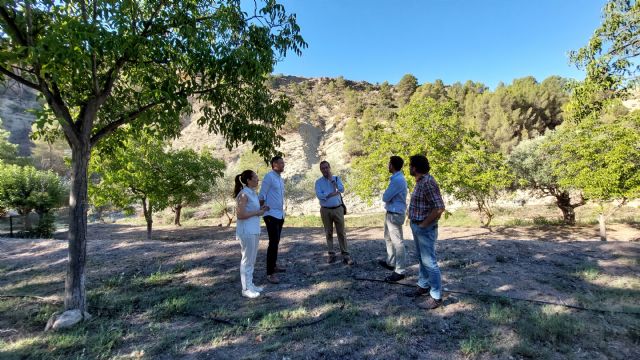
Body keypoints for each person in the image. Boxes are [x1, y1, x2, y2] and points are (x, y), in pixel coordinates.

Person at [406, 154, 446, 310]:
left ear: (415, 167)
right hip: (418, 227)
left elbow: (439, 208)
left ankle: (436, 296)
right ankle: (423, 286)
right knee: (422, 259)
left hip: (425, 229)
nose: (409, 168)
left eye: (410, 165)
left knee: (430, 262)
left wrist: (423, 225)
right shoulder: (421, 181)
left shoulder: (428, 182)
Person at [234, 170, 269, 298]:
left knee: (252, 259)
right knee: (246, 259)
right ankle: (246, 289)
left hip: (254, 229)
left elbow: (253, 210)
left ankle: (250, 284)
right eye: (255, 178)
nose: (257, 180)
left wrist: (262, 209)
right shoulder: (243, 195)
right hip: (246, 231)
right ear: (248, 180)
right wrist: (258, 213)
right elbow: (240, 214)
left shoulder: (252, 193)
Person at [315, 161, 354, 265]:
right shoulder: (318, 182)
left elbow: (341, 189)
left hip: (338, 209)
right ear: (320, 170)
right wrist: (332, 193)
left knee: (341, 232)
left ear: (330, 167)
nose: (325, 170)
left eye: (326, 167)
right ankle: (331, 254)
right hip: (325, 210)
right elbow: (320, 196)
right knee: (328, 232)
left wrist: (333, 181)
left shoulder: (336, 178)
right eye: (322, 168)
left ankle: (345, 254)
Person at [378, 156, 408, 282]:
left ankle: (400, 270)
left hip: (395, 214)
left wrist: (385, 195)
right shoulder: (397, 178)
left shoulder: (397, 180)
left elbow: (385, 197)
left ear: (392, 165)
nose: (387, 166)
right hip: (392, 212)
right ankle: (391, 262)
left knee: (397, 242)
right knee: (388, 238)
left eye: (389, 164)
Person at [259, 156, 286, 284]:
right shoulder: (269, 177)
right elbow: (262, 194)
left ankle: (274, 266)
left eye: (283, 163)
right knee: (273, 243)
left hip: (280, 215)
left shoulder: (280, 179)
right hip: (270, 215)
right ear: (274, 164)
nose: (283, 165)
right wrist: (260, 209)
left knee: (276, 241)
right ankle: (270, 273)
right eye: (281, 163)